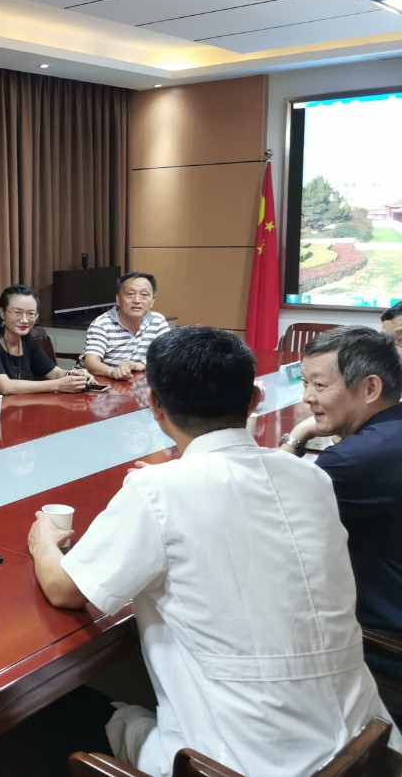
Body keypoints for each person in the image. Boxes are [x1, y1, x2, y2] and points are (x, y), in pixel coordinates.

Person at [28, 327, 397, 776]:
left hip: (238, 764)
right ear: (254, 400)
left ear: (155, 405)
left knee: (52, 712)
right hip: (366, 742)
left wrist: (43, 542)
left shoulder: (158, 490)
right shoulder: (312, 478)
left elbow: (65, 590)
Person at [277, 327, 402, 668]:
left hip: (384, 640)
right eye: (305, 384)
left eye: (319, 385)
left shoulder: (353, 460)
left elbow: (264, 506)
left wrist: (297, 434)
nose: (307, 397)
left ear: (371, 388)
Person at [0, 284, 91, 394]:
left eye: (31, 314)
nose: (25, 320)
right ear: (2, 313)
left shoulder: (26, 340)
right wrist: (58, 385)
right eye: (18, 312)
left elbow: (55, 373)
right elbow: (6, 387)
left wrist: (75, 376)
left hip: (14, 408)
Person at [80, 271, 170, 380]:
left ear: (152, 301)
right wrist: (113, 372)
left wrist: (142, 365)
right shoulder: (102, 324)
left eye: (144, 295)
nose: (137, 300)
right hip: (103, 384)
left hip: (137, 384)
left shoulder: (158, 321)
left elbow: (169, 357)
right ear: (118, 299)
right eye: (130, 294)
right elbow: (91, 363)